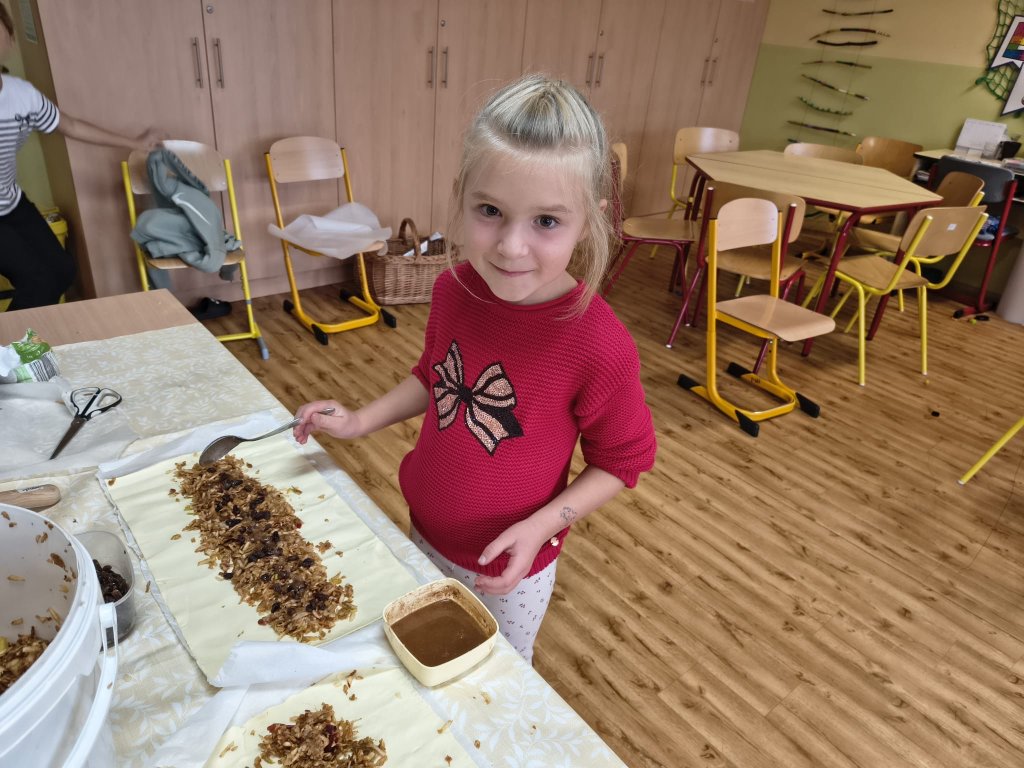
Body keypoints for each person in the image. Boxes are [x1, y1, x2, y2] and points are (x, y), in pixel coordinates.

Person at [293, 73, 657, 663]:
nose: (511, 246)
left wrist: (543, 527)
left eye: (546, 221)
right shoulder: (453, 289)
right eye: (490, 211)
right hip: (423, 526)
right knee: (425, 653)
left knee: (494, 673)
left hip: (512, 563)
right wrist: (359, 421)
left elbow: (623, 460)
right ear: (461, 197)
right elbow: (434, 378)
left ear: (588, 221)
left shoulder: (598, 342)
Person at [0, 4, 160, 310]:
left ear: (8, 34)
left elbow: (70, 125)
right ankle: (18, 341)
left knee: (61, 270)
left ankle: (23, 338)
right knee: (37, 281)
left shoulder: (21, 95)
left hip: (11, 203)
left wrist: (136, 142)